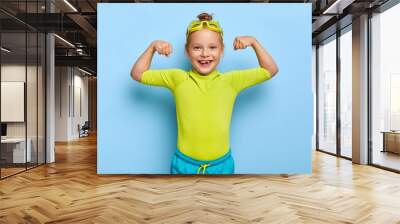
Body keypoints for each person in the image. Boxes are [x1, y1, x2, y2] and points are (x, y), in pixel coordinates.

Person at [131, 12, 278, 175]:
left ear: (222, 51)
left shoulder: (231, 81)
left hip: (222, 166)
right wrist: (152, 47)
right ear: (187, 51)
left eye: (212, 47)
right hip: (183, 165)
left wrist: (253, 42)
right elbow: (137, 73)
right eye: (197, 47)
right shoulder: (178, 78)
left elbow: (270, 69)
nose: (205, 54)